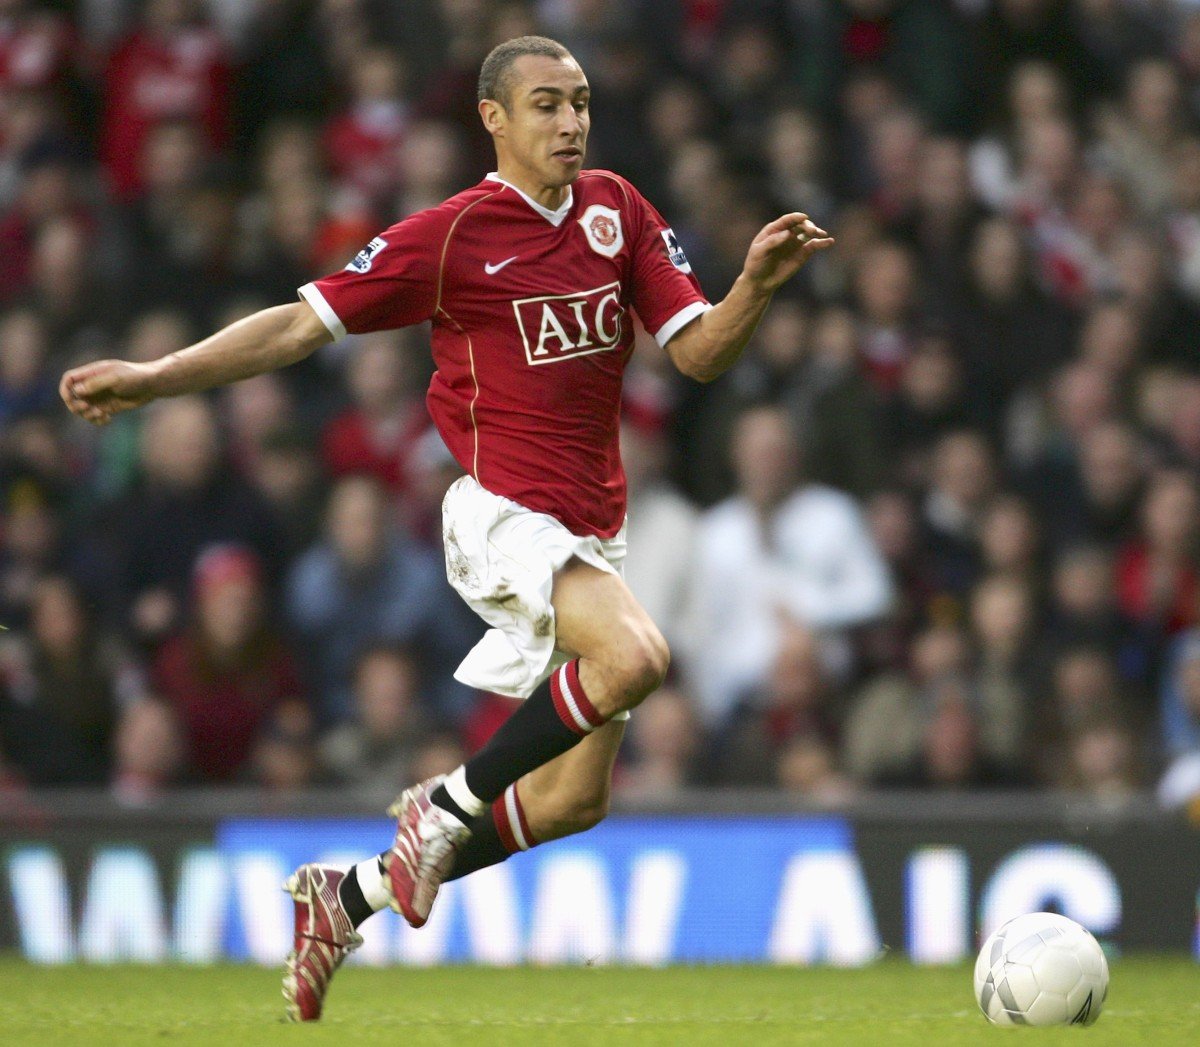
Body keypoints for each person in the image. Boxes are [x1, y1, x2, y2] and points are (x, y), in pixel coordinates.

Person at [60, 35, 833, 1021]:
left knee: (570, 803)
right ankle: (445, 805)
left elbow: (698, 358)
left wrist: (757, 286)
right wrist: (156, 379)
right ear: (494, 119)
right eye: (546, 104)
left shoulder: (618, 210)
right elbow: (299, 326)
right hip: (500, 515)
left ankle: (346, 897)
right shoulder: (452, 236)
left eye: (581, 102)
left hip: (595, 530)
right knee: (637, 657)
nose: (571, 122)